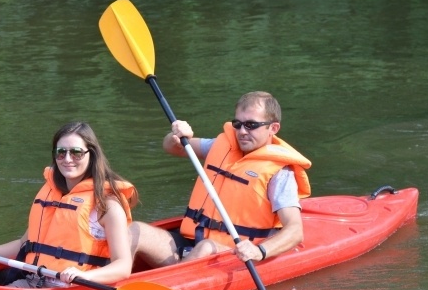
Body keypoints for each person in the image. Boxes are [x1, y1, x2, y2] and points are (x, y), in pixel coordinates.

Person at [130, 91, 311, 268]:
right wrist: (177, 135)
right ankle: (110, 281)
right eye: (237, 124)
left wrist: (259, 251)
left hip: (233, 253)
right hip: (189, 241)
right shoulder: (221, 146)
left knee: (206, 246)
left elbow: (295, 231)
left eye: (251, 125)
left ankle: (167, 287)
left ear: (273, 128)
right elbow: (173, 148)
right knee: (135, 230)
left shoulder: (280, 173)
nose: (242, 131)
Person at [0, 121, 139, 288]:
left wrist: (84, 276)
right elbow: (23, 244)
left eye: (76, 152)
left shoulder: (108, 205)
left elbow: (122, 267)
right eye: (61, 152)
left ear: (91, 155)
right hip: (33, 282)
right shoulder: (52, 195)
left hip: (75, 289)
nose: (67, 159)